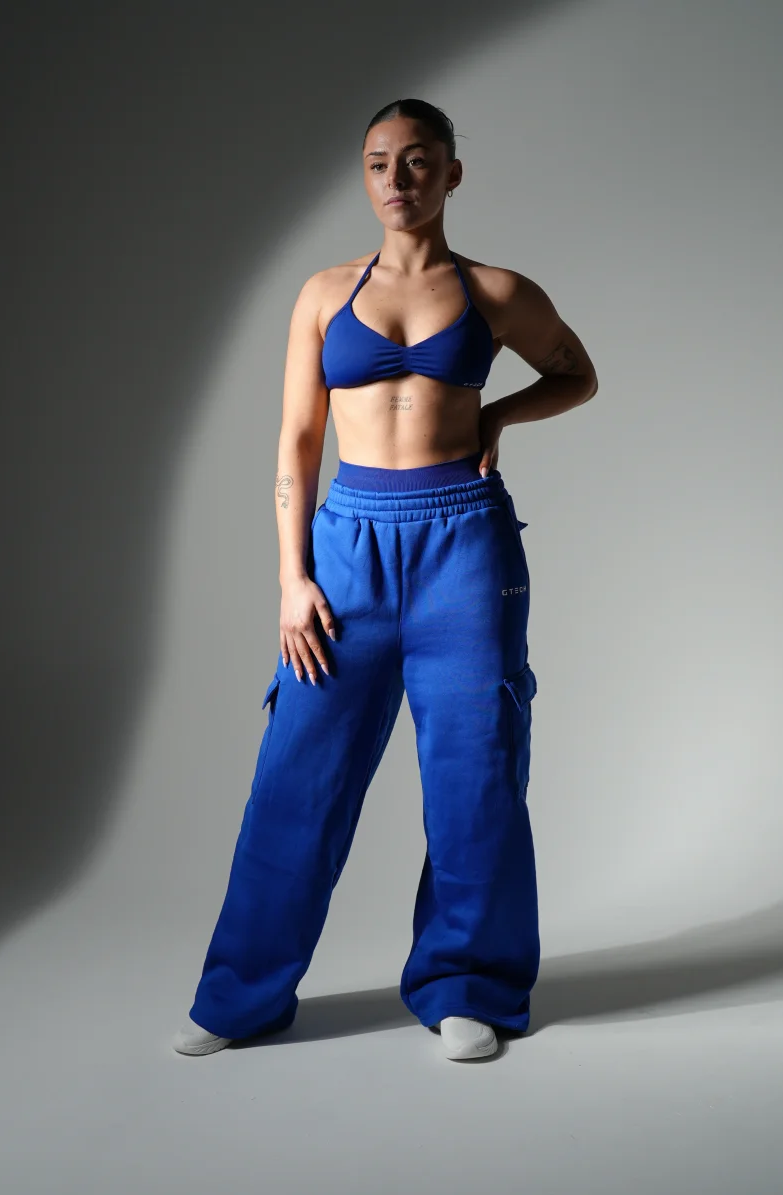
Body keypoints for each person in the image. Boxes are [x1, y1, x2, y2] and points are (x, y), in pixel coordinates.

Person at [172, 97, 598, 1062]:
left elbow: (576, 373)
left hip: (465, 545)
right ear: (363, 175)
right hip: (348, 549)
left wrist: (498, 417)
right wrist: (291, 579)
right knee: (296, 776)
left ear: (451, 173)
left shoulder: (496, 291)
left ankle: (468, 987)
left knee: (475, 775)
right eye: (377, 163)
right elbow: (297, 440)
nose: (395, 180)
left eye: (415, 160)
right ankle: (241, 996)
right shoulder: (324, 294)